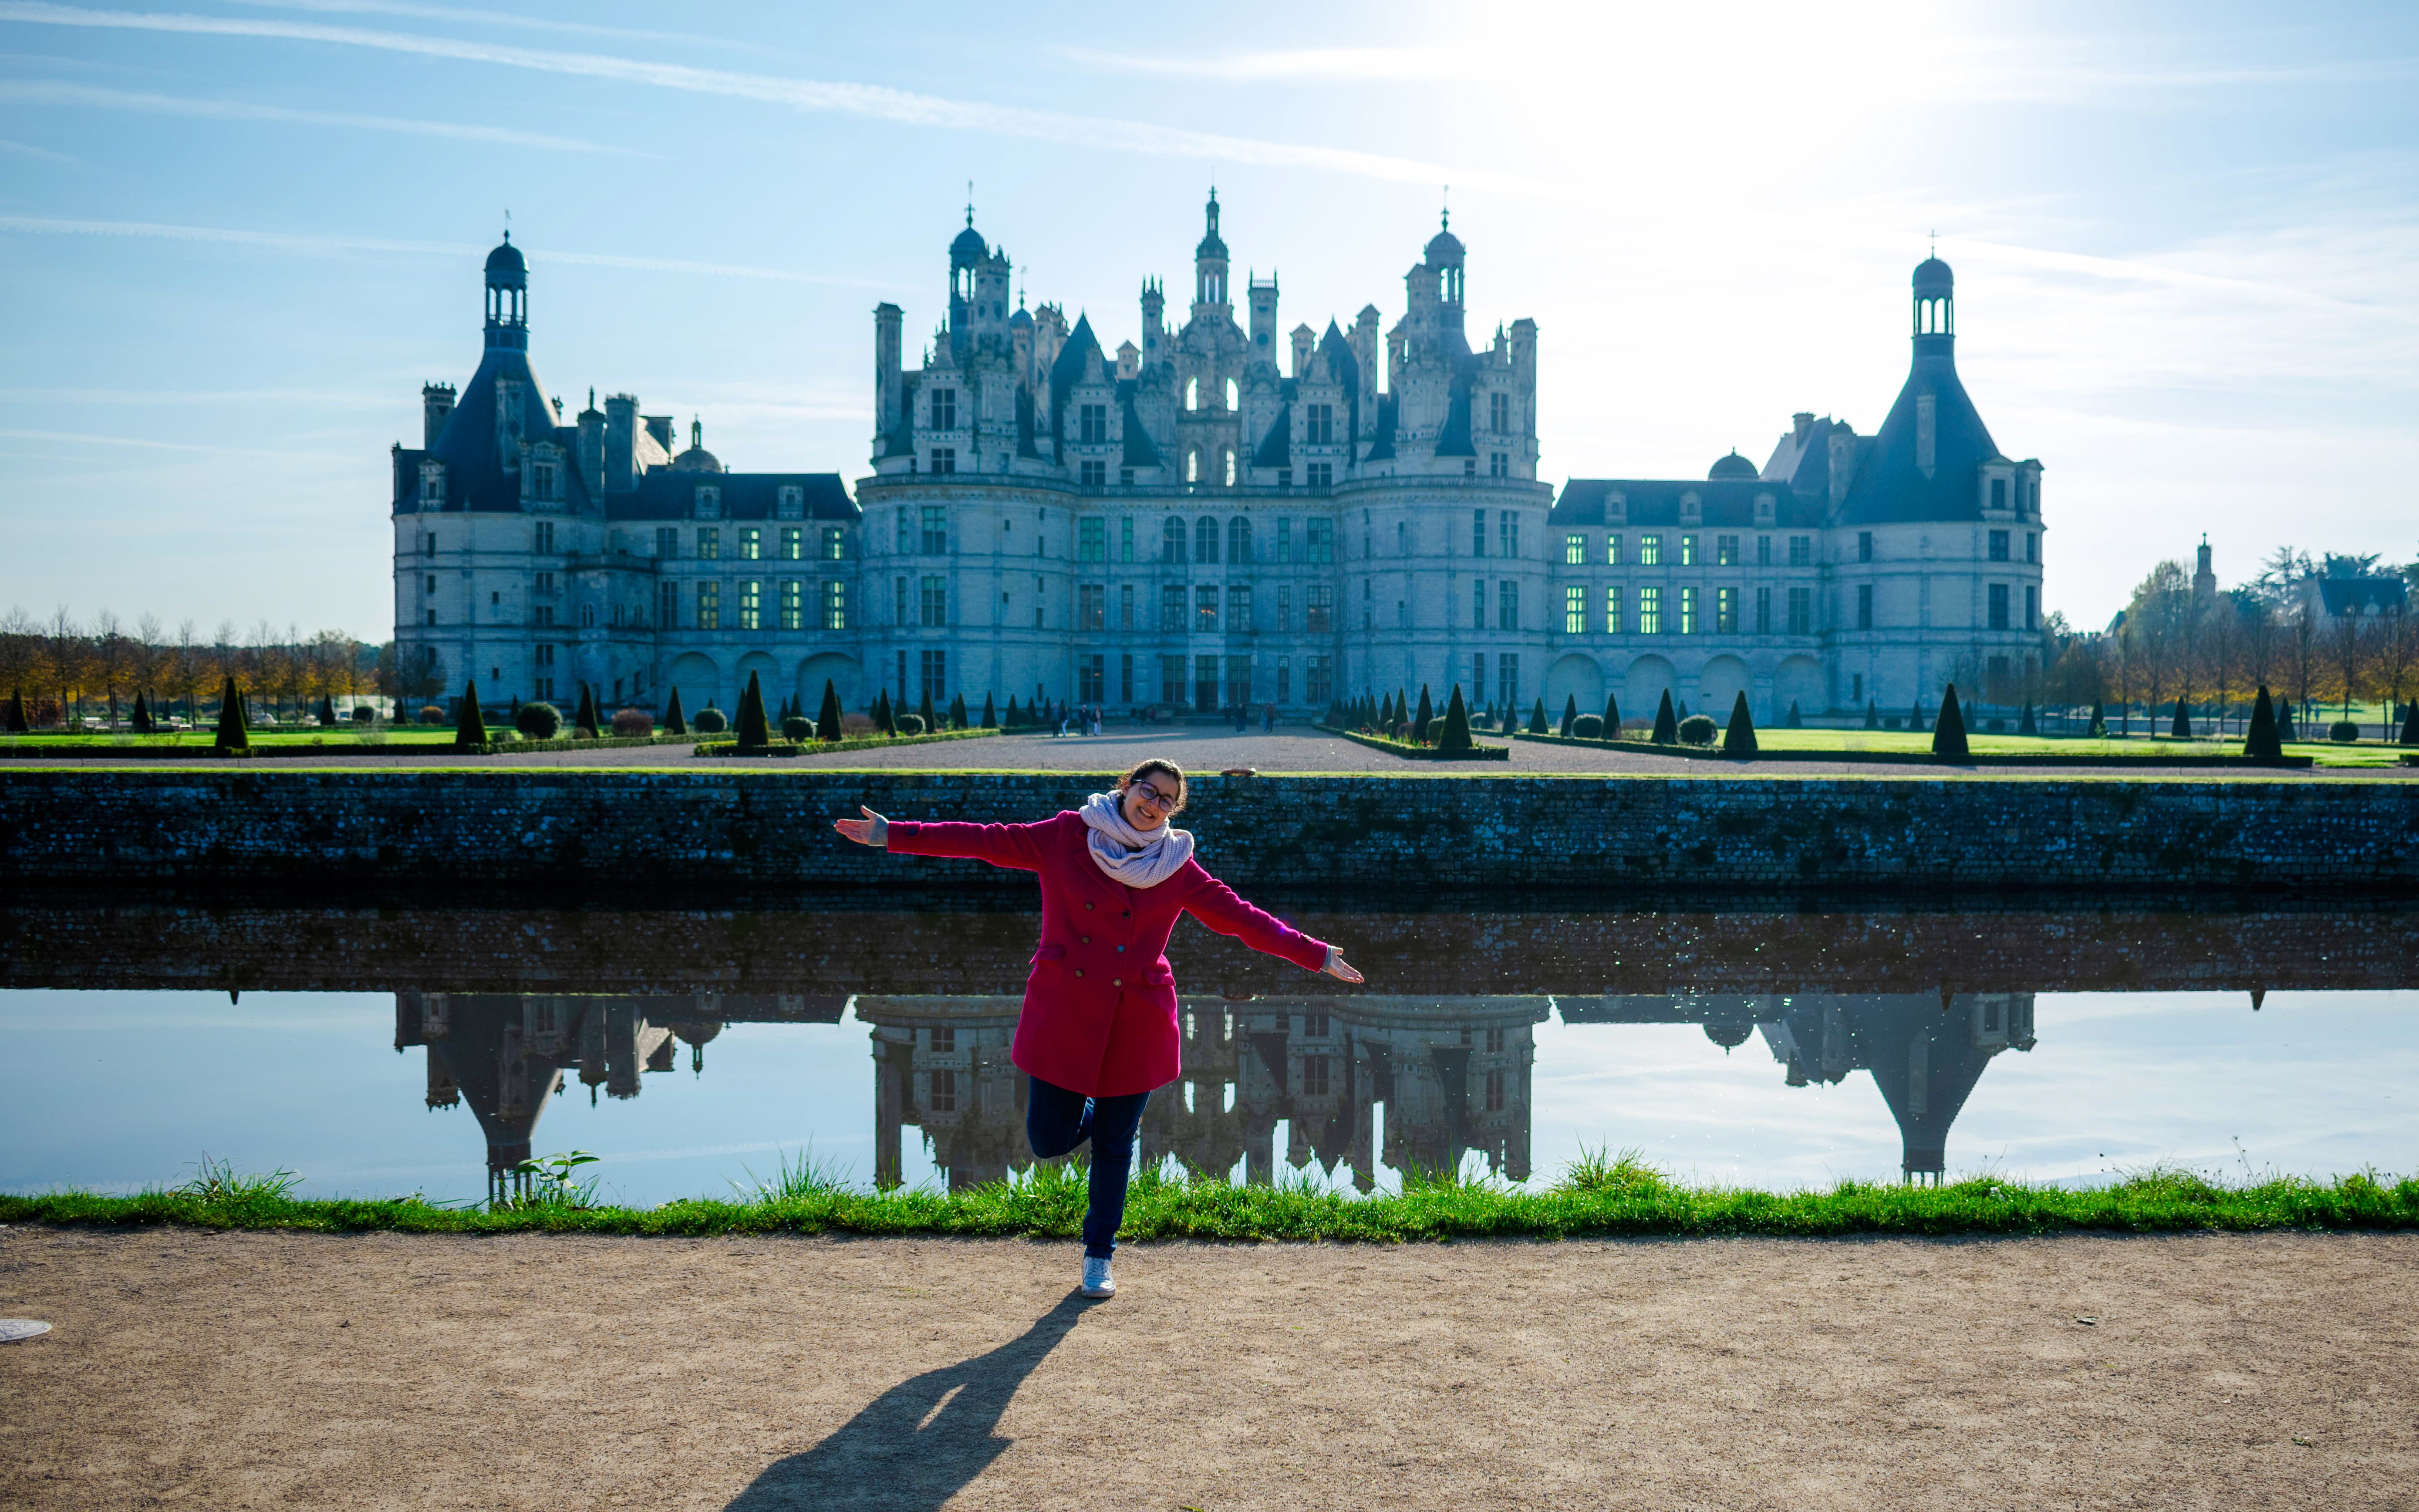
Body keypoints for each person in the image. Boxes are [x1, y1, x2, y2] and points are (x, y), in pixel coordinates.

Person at [833, 760, 1362, 1299]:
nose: (1153, 804)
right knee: (1048, 1138)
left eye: (1165, 800)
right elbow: (985, 841)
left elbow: (1242, 919)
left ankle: (1098, 1255)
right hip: (1066, 1012)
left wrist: (1315, 954)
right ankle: (1103, 1126)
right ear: (1126, 787)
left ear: (1172, 811)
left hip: (1137, 1019)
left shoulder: (1176, 865)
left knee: (1115, 1145)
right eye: (1147, 791)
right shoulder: (1068, 835)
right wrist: (894, 834)